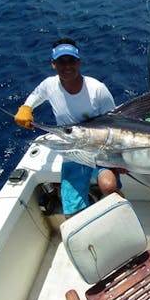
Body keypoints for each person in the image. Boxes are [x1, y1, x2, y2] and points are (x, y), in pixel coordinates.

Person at [14, 37, 122, 218]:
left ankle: (124, 219)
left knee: (109, 186)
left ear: (79, 62)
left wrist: (119, 160)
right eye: (61, 62)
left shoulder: (97, 89)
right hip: (72, 152)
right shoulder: (49, 85)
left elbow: (115, 124)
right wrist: (26, 108)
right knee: (71, 214)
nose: (67, 66)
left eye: (71, 60)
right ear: (53, 64)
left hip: (101, 151)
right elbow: (35, 96)